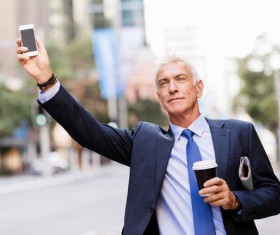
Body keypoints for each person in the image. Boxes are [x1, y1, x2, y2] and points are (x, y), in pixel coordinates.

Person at [16, 38, 280, 235]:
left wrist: (235, 200)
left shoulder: (238, 133)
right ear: (159, 97)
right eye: (164, 83)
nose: (173, 88)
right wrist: (46, 80)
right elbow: (90, 132)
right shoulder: (145, 142)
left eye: (181, 79)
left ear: (198, 88)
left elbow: (273, 194)